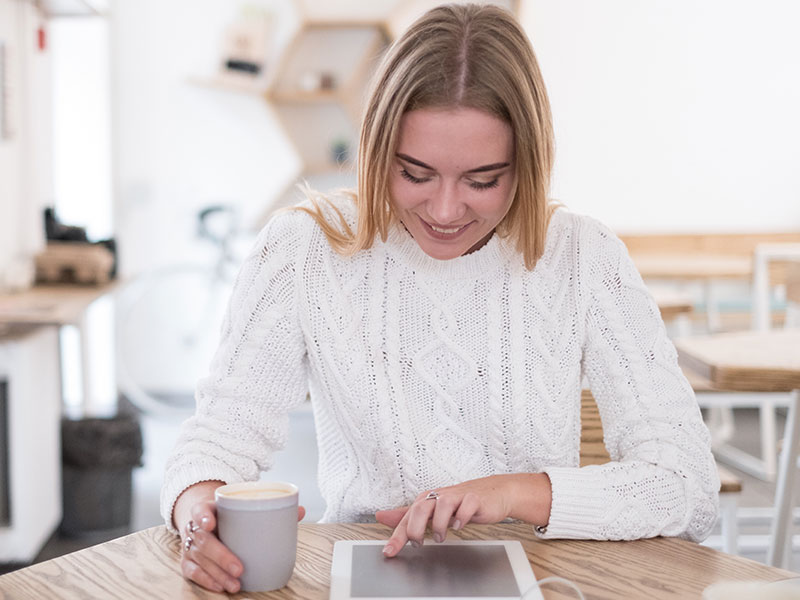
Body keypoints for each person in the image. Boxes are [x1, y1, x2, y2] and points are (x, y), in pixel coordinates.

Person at [162, 3, 719, 594]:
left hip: (545, 578)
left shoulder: (583, 256)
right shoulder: (303, 248)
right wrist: (196, 510)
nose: (447, 211)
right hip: (367, 574)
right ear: (377, 150)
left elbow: (687, 486)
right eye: (416, 173)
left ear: (527, 165)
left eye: (483, 180)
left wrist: (509, 491)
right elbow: (217, 440)